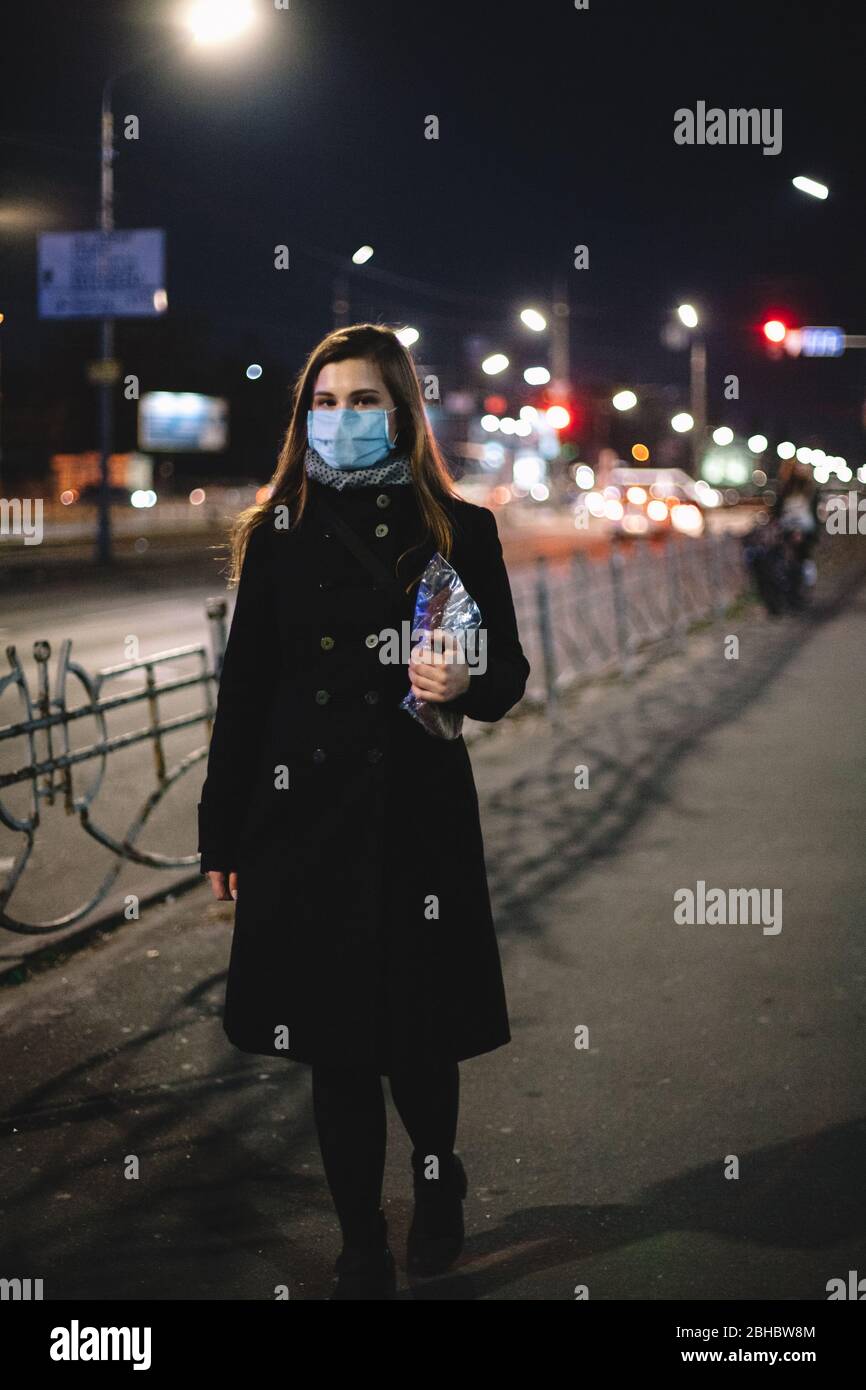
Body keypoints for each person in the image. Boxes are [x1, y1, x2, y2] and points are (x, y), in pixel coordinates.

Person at [197, 323, 531, 1299]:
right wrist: (223, 830)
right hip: (299, 822)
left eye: (365, 401)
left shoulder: (459, 529)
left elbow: (507, 673)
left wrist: (465, 677)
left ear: (402, 412)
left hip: (414, 814)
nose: (342, 419)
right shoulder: (275, 532)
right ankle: (359, 1244)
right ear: (306, 417)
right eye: (326, 403)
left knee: (418, 1039)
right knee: (332, 1044)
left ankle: (437, 1182)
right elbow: (244, 690)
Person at [772, 461, 819, 608]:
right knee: (794, 562)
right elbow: (777, 509)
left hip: (802, 531)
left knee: (802, 562)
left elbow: (812, 513)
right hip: (791, 530)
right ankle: (795, 593)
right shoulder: (787, 488)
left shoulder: (807, 490)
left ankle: (799, 592)